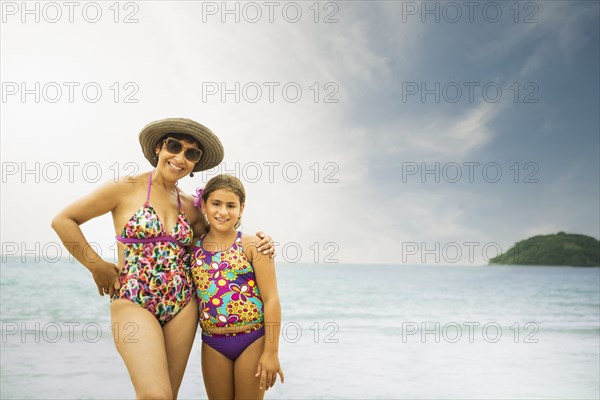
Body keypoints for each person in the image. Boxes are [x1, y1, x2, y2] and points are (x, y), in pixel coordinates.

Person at [51, 118, 275, 399]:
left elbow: (220, 240)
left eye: (191, 153)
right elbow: (64, 221)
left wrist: (260, 241)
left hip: (182, 305)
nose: (181, 157)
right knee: (155, 396)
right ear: (159, 148)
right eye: (174, 146)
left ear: (195, 163)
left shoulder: (191, 207)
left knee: (169, 395)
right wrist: (96, 266)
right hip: (132, 299)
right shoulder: (125, 187)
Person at [190, 174, 284, 399]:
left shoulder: (253, 245)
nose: (223, 212)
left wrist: (271, 352)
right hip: (212, 343)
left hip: (252, 339)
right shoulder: (193, 248)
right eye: (216, 204)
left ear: (241, 208)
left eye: (230, 205)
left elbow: (271, 299)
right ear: (204, 205)